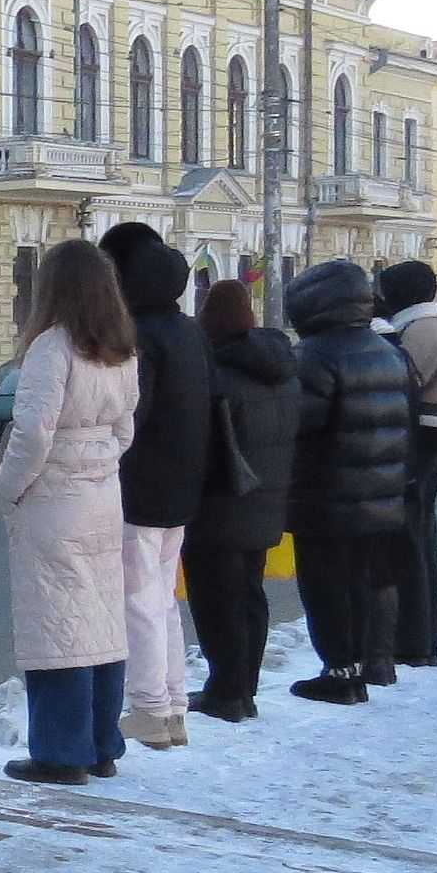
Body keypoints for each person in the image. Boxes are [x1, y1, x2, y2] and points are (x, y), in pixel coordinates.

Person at [0, 240, 139, 787]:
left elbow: (33, 433)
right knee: (101, 621)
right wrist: (98, 462)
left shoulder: (52, 349)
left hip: (53, 499)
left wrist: (10, 486)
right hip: (103, 493)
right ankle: (103, 744)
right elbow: (125, 428)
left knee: (56, 625)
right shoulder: (121, 350)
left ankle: (60, 751)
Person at [96, 223, 209, 752]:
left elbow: (130, 413)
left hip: (140, 482)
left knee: (139, 599)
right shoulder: (189, 331)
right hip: (183, 483)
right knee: (161, 598)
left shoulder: (139, 336)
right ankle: (173, 707)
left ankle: (148, 708)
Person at [283, 258, 413, 703]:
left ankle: (339, 672)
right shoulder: (389, 351)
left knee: (325, 588)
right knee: (367, 582)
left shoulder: (316, 355)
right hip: (383, 496)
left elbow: (299, 424)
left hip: (326, 497)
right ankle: (372, 662)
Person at [182, 282, 298, 723]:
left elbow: (202, 443)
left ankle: (227, 691)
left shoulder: (215, 374)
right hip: (267, 500)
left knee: (216, 602)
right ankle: (244, 687)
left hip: (220, 503)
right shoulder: (282, 369)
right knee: (250, 595)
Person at [377, 261, 437, 668]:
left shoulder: (419, 332)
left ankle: (412, 639)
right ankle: (423, 636)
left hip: (421, 436)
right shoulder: (435, 326)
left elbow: (404, 382)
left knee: (409, 537)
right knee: (420, 534)